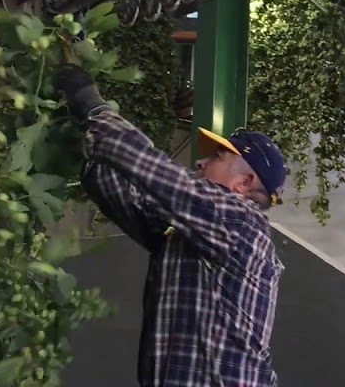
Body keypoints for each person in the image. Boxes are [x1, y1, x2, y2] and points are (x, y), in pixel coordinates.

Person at [55, 65, 287, 387]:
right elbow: (131, 199)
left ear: (244, 183)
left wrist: (92, 105)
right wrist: (78, 138)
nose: (200, 162)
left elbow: (163, 177)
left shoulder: (241, 223)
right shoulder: (191, 233)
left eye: (216, 157)